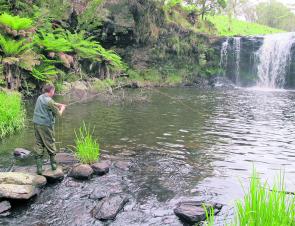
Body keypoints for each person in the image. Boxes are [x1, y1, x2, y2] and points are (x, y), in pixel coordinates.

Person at [33, 84, 66, 175]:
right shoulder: (49, 101)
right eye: (54, 91)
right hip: (45, 125)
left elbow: (50, 103)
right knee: (50, 142)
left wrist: (58, 104)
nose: (54, 93)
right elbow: (58, 114)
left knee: (39, 143)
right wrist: (62, 108)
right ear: (51, 91)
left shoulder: (40, 97)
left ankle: (39, 169)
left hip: (36, 123)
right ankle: (54, 166)